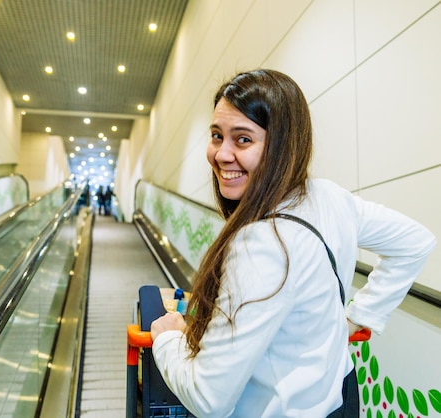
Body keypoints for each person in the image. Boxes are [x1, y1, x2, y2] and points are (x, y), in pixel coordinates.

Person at [149, 69, 435, 417]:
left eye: (242, 139)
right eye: (216, 135)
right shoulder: (327, 197)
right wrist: (362, 316)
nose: (221, 155)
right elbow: (415, 242)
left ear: (283, 145)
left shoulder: (260, 245)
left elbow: (209, 400)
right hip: (340, 400)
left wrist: (168, 338)